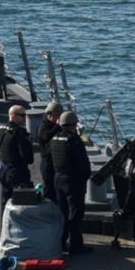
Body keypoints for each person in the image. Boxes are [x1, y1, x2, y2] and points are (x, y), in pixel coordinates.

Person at [49, 110, 93, 256]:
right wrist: (85, 178)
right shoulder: (74, 140)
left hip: (58, 178)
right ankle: (76, 245)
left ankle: (61, 242)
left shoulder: (54, 138)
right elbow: (83, 163)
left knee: (63, 212)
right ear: (73, 124)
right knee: (75, 213)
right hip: (72, 181)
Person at [0, 103, 34, 209]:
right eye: (22, 115)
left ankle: (4, 224)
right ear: (14, 115)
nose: (25, 118)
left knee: (5, 202)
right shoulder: (19, 132)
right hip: (17, 173)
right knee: (22, 204)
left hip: (3, 171)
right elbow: (27, 156)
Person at [36, 101, 64, 198]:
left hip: (57, 163)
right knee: (49, 190)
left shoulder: (58, 128)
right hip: (47, 163)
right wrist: (57, 126)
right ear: (49, 115)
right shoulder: (43, 127)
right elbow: (47, 136)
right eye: (57, 116)